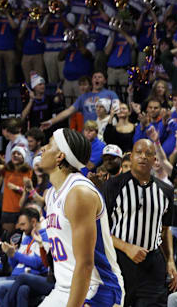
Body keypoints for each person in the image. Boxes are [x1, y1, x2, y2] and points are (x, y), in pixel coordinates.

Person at [38, 128, 124, 307]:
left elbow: (85, 264)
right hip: (64, 286)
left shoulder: (79, 193)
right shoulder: (51, 194)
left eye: (49, 144)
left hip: (96, 288)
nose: (42, 149)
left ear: (60, 156)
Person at [102, 138, 176, 306]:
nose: (143, 156)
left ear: (155, 160)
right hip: (120, 261)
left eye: (148, 154)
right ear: (131, 157)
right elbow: (100, 228)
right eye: (139, 153)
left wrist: (170, 260)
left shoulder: (166, 191)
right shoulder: (112, 186)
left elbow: (165, 230)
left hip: (153, 264)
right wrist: (126, 247)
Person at [0, 207, 47, 307]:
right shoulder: (26, 238)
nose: (20, 228)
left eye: (23, 224)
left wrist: (15, 254)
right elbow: (14, 265)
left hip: (30, 278)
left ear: (33, 222)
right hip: (13, 277)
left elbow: (38, 262)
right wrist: (10, 255)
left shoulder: (44, 236)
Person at [41, 71, 119, 128]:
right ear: (92, 81)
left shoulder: (111, 94)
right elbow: (68, 111)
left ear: (105, 81)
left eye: (100, 77)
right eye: (95, 77)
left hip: (105, 128)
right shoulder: (83, 97)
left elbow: (117, 110)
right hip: (88, 131)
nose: (97, 79)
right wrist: (51, 122)